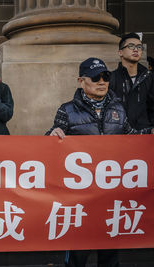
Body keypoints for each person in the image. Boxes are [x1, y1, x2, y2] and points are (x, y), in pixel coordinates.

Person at [46, 57, 153, 267]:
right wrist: (51, 134)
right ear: (81, 81)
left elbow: (132, 137)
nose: (102, 81)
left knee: (109, 255)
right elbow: (52, 141)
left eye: (106, 77)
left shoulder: (119, 108)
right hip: (80, 199)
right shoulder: (66, 110)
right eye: (96, 77)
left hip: (110, 195)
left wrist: (149, 133)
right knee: (78, 255)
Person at [109, 32, 154, 130]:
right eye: (131, 46)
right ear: (120, 52)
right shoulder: (111, 78)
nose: (135, 49)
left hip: (144, 134)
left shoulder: (149, 77)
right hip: (119, 134)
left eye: (139, 47)